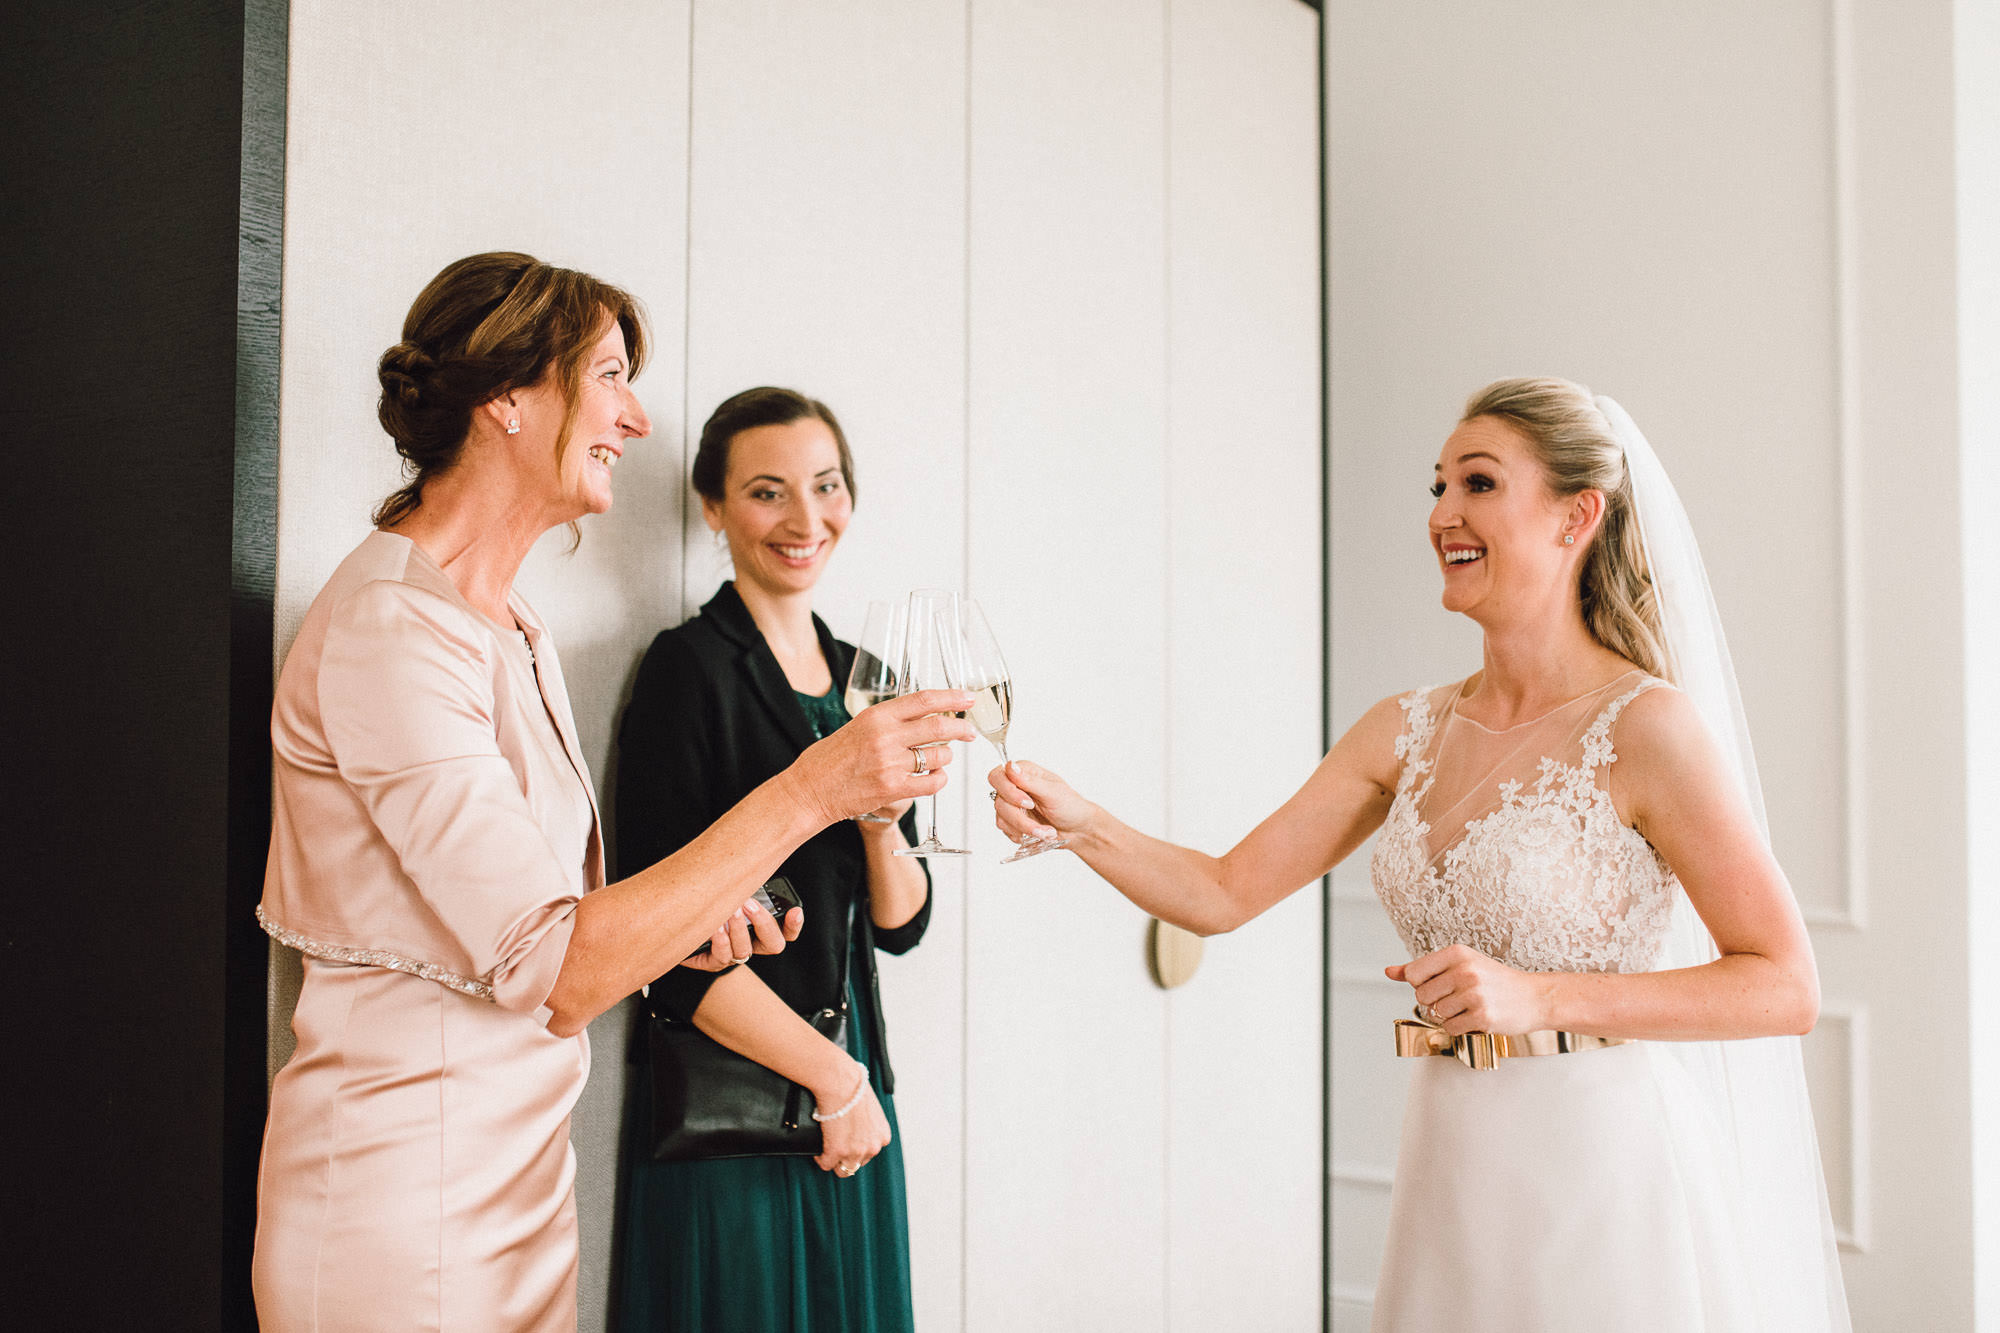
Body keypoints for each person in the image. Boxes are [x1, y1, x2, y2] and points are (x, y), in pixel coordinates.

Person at [989, 377, 1850, 1330]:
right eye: (1437, 487)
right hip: (1451, 1160)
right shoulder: (1402, 728)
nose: (1443, 514)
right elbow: (1222, 890)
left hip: (1600, 1167)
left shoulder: (1648, 729)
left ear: (1578, 516)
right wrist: (1080, 823)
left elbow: (1784, 985)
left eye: (1478, 484)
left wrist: (1540, 995)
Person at [250, 255, 973, 1332]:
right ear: (507, 397)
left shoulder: (512, 626)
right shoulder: (389, 631)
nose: (633, 417)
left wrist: (687, 924)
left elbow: (539, 918)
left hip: (518, 1193)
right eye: (608, 375)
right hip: (402, 1205)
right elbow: (555, 969)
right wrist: (812, 789)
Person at [613, 387, 929, 1332]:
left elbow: (903, 923)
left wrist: (881, 825)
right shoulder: (688, 670)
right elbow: (659, 946)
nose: (805, 519)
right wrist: (833, 1077)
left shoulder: (870, 674)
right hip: (736, 1093)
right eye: (766, 492)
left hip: (853, 1076)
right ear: (713, 507)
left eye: (826, 486)